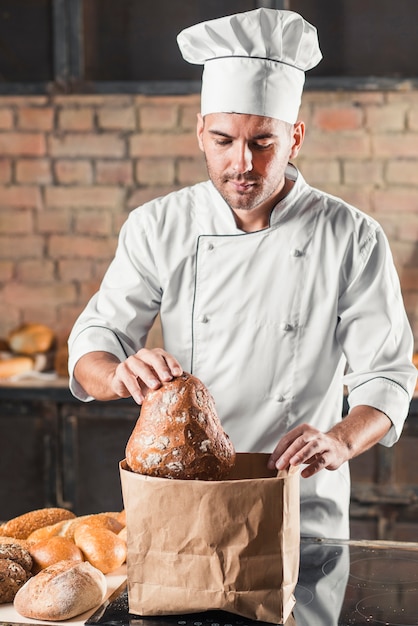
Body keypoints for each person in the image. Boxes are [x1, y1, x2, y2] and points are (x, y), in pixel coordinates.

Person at [68, 8, 417, 539]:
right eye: (225, 141)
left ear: (295, 137)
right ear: (201, 134)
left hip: (301, 502)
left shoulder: (352, 235)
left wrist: (341, 440)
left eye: (263, 143)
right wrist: (117, 374)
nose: (243, 166)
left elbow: (388, 375)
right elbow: (97, 340)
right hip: (188, 504)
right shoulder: (159, 225)